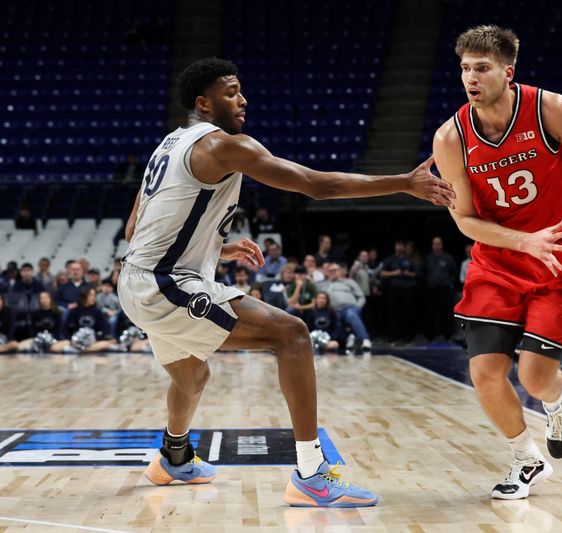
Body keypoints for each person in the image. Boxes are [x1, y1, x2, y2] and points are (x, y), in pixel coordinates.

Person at [119, 57, 453, 507]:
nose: (243, 99)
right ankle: (311, 475)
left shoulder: (169, 144)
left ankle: (174, 456)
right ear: (204, 102)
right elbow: (316, 186)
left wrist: (215, 247)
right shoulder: (223, 146)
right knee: (292, 334)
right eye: (232, 92)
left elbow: (133, 228)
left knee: (193, 373)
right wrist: (402, 183)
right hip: (165, 285)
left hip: (137, 281)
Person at [432, 26, 562, 500]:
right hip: (497, 264)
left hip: (559, 262)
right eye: (465, 67)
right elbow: (464, 220)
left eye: (481, 68)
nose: (470, 76)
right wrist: (521, 241)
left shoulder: (550, 108)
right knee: (485, 372)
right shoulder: (451, 137)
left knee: (533, 377)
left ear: (508, 72)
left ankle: (557, 400)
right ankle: (526, 459)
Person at [421, 236, 458, 340]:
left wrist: (449, 283)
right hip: (431, 289)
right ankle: (430, 336)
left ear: (442, 245)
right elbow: (422, 273)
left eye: (439, 244)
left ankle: (448, 335)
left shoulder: (448, 258)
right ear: (432, 246)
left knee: (446, 313)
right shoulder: (428, 259)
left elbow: (454, 272)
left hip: (444, 289)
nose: (437, 246)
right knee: (431, 313)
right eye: (435, 244)